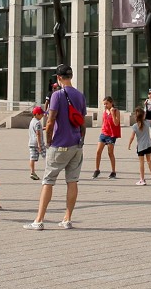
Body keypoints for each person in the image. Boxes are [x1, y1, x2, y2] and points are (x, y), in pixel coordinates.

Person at [24, 63, 86, 231]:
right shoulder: (80, 96)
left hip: (59, 145)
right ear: (71, 77)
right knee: (72, 181)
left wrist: (48, 141)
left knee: (48, 181)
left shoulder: (57, 95)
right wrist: (81, 141)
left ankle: (39, 220)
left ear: (59, 78)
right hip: (76, 145)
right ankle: (67, 219)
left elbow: (50, 121)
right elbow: (83, 123)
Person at [127, 106, 151, 184]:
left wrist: (129, 145)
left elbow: (132, 137)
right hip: (148, 145)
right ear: (143, 115)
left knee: (141, 163)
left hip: (140, 147)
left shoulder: (135, 126)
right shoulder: (147, 122)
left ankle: (142, 179)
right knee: (149, 161)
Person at [93, 96, 120, 179]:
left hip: (111, 135)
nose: (105, 105)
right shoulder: (105, 111)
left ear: (111, 103)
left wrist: (112, 113)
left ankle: (113, 171)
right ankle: (97, 170)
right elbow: (104, 121)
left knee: (110, 153)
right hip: (104, 133)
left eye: (106, 104)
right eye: (104, 104)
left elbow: (116, 123)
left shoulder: (116, 111)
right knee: (98, 152)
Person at [27, 105, 45, 180]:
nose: (42, 115)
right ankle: (49, 171)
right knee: (46, 157)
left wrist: (45, 128)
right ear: (37, 114)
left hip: (31, 143)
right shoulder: (37, 123)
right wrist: (39, 145)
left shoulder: (32, 121)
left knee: (32, 158)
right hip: (38, 143)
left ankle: (32, 172)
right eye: (41, 114)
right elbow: (38, 133)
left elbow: (38, 130)